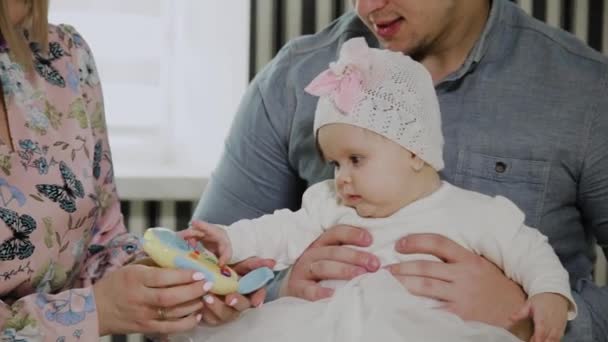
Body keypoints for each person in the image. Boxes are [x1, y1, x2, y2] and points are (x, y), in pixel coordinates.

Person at [192, 0, 608, 340]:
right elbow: (215, 273)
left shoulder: (585, 92)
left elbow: (529, 251)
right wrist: (281, 285)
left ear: (417, 154)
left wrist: (534, 315)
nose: (366, 7)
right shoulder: (296, 83)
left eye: (355, 160)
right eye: (335, 163)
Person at [0, 1, 271, 339]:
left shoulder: (64, 56)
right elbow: (98, 305)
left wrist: (170, 280)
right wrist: (96, 311)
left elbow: (99, 246)